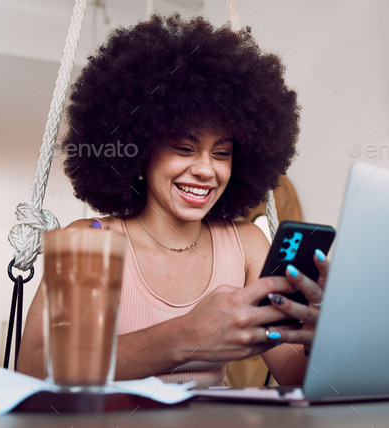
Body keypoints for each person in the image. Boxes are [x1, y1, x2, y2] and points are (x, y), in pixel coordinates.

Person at [18, 13, 328, 388]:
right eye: (184, 147)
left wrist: (322, 334)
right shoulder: (91, 238)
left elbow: (297, 375)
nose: (205, 170)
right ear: (143, 150)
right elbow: (35, 369)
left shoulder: (246, 244)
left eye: (222, 153)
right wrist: (184, 337)